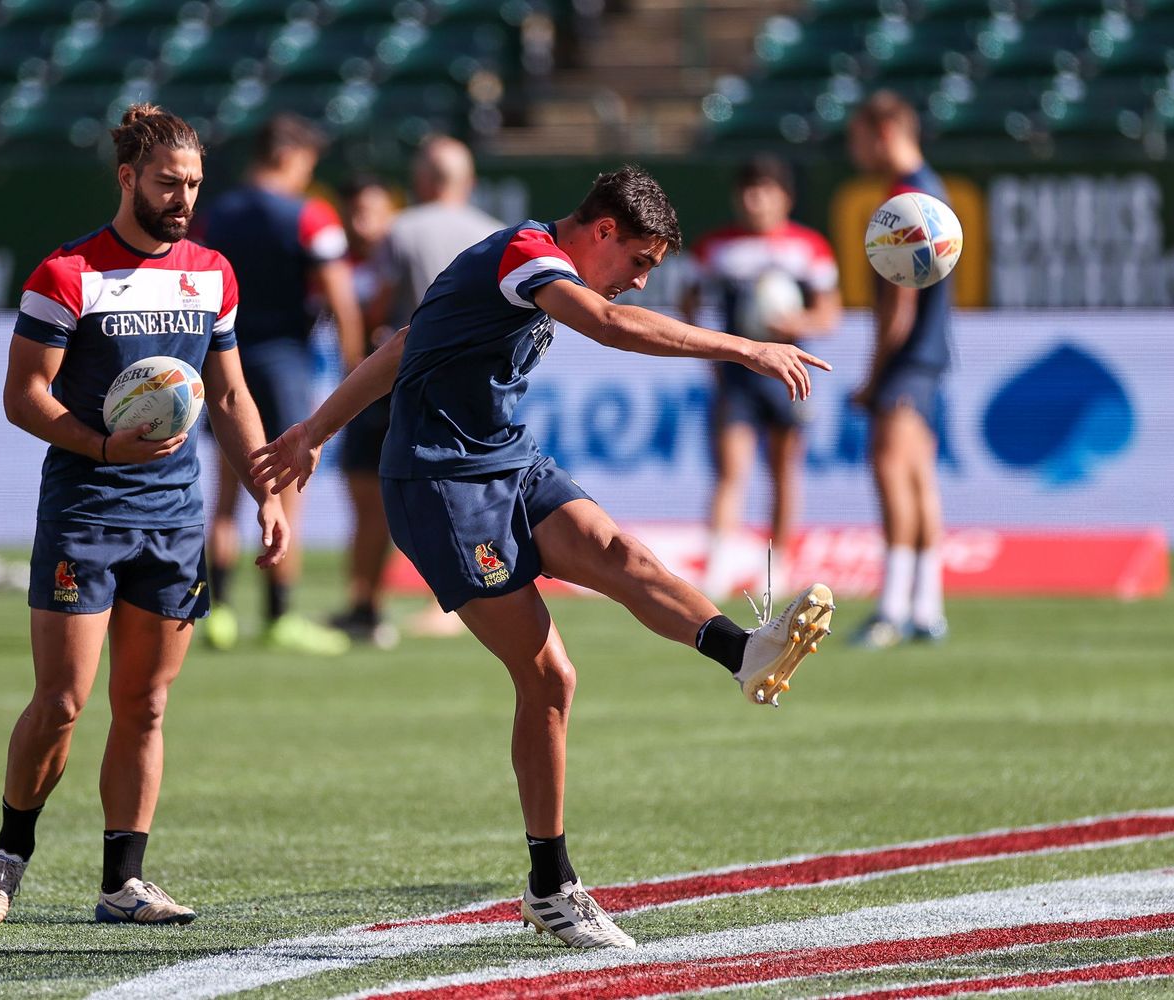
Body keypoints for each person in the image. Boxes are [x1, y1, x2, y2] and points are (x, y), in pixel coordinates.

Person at [250, 167, 835, 949]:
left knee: (621, 553)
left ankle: (745, 654)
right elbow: (607, 325)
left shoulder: (511, 265)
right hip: (438, 486)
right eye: (641, 261)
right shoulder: (526, 255)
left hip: (504, 460)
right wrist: (743, 347)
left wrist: (310, 432)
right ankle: (551, 886)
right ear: (601, 234)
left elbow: (401, 343)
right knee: (550, 675)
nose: (640, 280)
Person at [0, 104, 287, 925]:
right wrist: (103, 450)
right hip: (85, 508)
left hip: (174, 517)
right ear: (127, 179)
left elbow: (229, 394)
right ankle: (10, 852)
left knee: (144, 704)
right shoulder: (68, 273)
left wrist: (264, 491)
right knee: (64, 700)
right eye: (167, 183)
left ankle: (123, 883)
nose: (182, 198)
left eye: (193, 185)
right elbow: (22, 397)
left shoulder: (212, 272)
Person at [195, 113, 363, 656]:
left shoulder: (215, 214)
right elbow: (339, 296)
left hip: (224, 361)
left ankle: (217, 613)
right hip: (287, 362)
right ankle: (279, 615)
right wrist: (355, 366)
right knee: (286, 493)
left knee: (225, 495)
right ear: (290, 156)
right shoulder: (309, 216)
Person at [330, 136, 504, 645]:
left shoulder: (401, 229)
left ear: (422, 182)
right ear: (467, 182)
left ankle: (366, 604)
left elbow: (381, 304)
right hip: (474, 386)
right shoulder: (497, 234)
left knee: (370, 493)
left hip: (404, 378)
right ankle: (453, 601)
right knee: (459, 494)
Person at [681, 156, 841, 599]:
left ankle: (779, 566)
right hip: (737, 374)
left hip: (787, 374)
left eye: (766, 190)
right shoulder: (717, 247)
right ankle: (717, 565)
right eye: (749, 190)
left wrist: (798, 322)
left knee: (783, 470)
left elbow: (829, 313)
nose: (756, 200)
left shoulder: (807, 247)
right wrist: (708, 352)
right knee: (730, 469)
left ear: (785, 197)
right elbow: (689, 302)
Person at [846, 91, 952, 647]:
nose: (854, 149)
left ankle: (892, 607)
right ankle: (925, 607)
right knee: (917, 474)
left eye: (858, 136)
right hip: (930, 354)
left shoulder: (903, 201)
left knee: (890, 467)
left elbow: (899, 302)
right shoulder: (934, 186)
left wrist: (872, 375)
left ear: (883, 131)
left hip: (908, 358)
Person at [328, 175, 402, 648]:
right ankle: (362, 603)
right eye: (356, 212)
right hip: (361, 393)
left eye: (373, 211)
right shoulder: (340, 263)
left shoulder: (401, 258)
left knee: (387, 507)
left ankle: (373, 604)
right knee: (364, 505)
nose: (363, 222)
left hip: (395, 392)